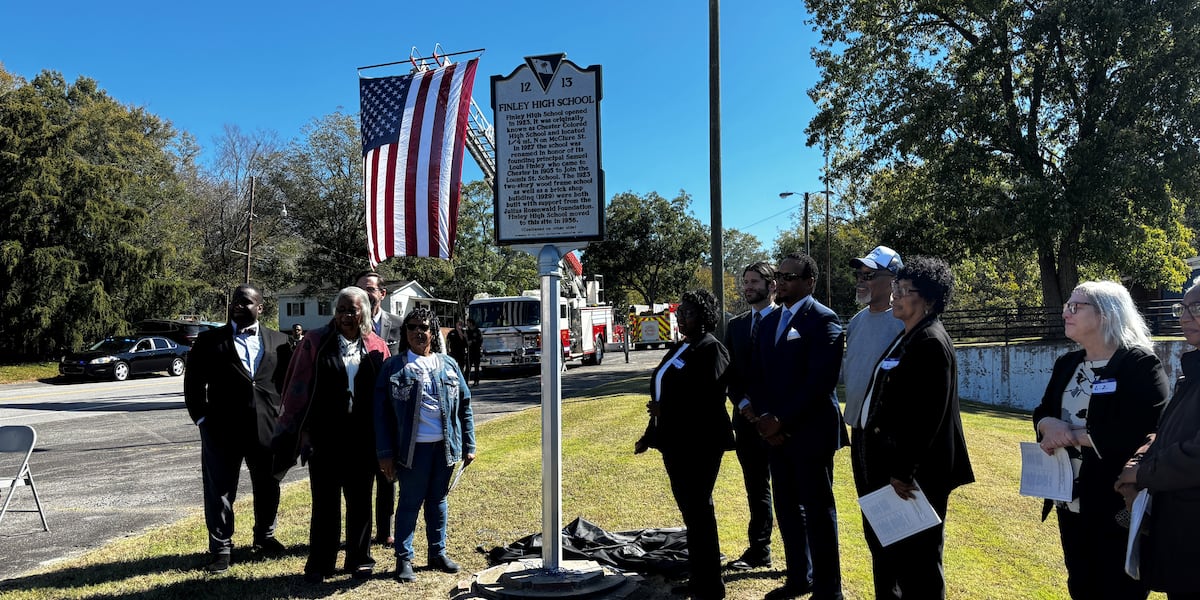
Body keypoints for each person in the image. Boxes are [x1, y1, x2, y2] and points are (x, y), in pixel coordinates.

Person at [1033, 280, 1168, 599]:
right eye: (1067, 305)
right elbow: (1043, 409)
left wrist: (1073, 436)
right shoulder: (1068, 364)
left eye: (1076, 306)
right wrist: (1047, 424)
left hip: (1116, 502)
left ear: (1107, 314)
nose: (1066, 312)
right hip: (1070, 501)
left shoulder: (1139, 364)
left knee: (1119, 588)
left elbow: (1144, 427)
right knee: (1080, 585)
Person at [855, 256, 974, 599]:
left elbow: (927, 417)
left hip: (912, 479)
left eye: (905, 290)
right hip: (886, 470)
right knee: (890, 556)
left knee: (918, 565)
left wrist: (903, 471)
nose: (895, 295)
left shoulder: (930, 342)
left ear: (931, 300)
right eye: (896, 287)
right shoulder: (908, 336)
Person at [745, 252, 847, 600]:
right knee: (787, 510)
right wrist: (763, 420)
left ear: (809, 283)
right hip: (775, 437)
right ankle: (799, 577)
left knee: (818, 513)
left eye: (790, 276)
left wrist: (781, 420)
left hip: (810, 432)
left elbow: (820, 382)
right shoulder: (770, 323)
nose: (782, 281)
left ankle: (828, 589)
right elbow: (756, 376)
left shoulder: (823, 319)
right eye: (780, 275)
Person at [275, 286, 390, 583]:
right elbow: (297, 388)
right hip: (324, 437)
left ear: (363, 312)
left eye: (352, 310)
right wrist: (300, 432)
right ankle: (320, 563)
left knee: (361, 500)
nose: (345, 316)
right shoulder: (314, 342)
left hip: (363, 438)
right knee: (325, 503)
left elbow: (386, 393)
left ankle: (359, 559)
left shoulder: (377, 345)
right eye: (340, 310)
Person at [184, 284, 293, 572]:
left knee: (269, 485)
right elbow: (194, 384)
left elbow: (288, 384)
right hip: (222, 430)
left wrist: (284, 418)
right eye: (234, 301)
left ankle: (265, 537)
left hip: (267, 430)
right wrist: (202, 420)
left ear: (260, 307)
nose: (237, 306)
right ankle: (221, 548)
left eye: (245, 302)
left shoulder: (280, 341)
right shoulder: (210, 341)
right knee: (219, 489)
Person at [635, 289, 734, 600]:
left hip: (701, 442)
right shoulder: (682, 347)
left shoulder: (711, 349)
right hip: (675, 442)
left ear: (704, 317)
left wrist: (669, 410)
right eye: (680, 314)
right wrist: (650, 434)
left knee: (700, 511)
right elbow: (664, 390)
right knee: (691, 513)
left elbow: (710, 397)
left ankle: (711, 585)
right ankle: (700, 577)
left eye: (688, 314)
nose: (680, 318)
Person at [375, 306, 476, 583]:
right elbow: (381, 414)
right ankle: (404, 559)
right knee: (409, 502)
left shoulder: (448, 364)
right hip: (411, 450)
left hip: (444, 448)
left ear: (433, 332)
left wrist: (470, 443)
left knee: (438, 501)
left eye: (424, 327)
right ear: (405, 332)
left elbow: (464, 406)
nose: (419, 332)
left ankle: (437, 553)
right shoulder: (393, 367)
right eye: (412, 327)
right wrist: (384, 453)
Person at [1116, 280, 1200, 599]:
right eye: (1183, 308)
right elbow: (1164, 432)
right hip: (1180, 535)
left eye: (1198, 308)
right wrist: (1137, 460)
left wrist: (1141, 474)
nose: (1185, 316)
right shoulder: (1191, 374)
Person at [722, 261, 777, 571]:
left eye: (755, 281)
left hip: (780, 421)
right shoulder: (737, 326)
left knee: (791, 490)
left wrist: (769, 412)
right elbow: (730, 373)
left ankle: (803, 559)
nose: (748, 286)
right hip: (745, 421)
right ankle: (759, 549)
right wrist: (743, 403)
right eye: (745, 281)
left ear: (771, 286)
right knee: (755, 487)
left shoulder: (784, 321)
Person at [355, 270, 406, 547]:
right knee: (361, 478)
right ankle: (360, 532)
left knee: (388, 476)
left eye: (370, 289)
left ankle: (385, 529)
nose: (365, 293)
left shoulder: (399, 326)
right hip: (358, 413)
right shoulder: (347, 325)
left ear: (382, 294)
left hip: (389, 412)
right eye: (360, 288)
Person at [842, 246, 905, 440]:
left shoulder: (904, 324)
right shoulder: (855, 322)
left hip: (891, 429)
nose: (861, 280)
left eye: (869, 275)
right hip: (858, 426)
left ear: (893, 281)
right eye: (859, 275)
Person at [465, 318, 483, 385]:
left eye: (468, 323)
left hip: (476, 351)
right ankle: (466, 381)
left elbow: (480, 340)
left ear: (471, 323)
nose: (467, 324)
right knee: (468, 367)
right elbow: (465, 340)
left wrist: (472, 341)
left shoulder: (477, 331)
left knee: (476, 367)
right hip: (470, 351)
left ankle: (476, 381)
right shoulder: (467, 331)